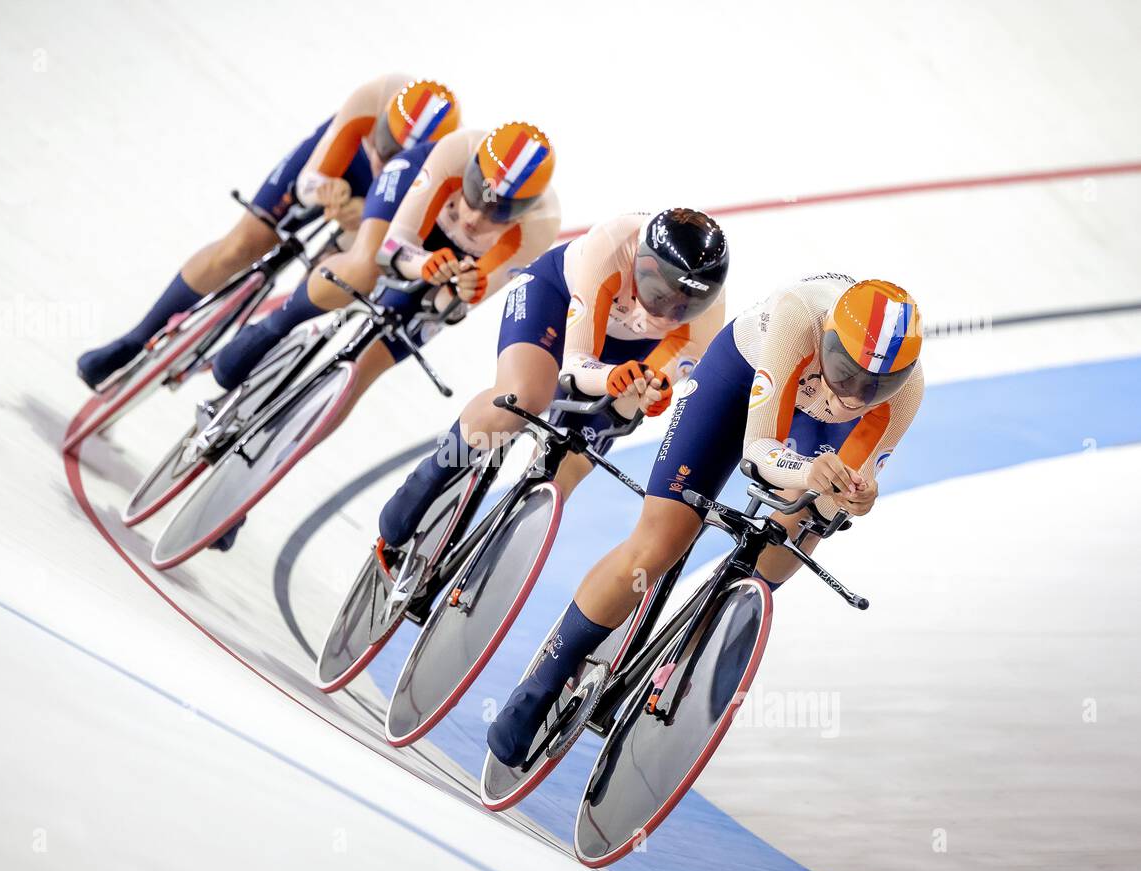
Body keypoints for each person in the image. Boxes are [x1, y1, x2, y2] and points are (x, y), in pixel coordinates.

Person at [487, 275, 926, 766]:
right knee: (659, 544)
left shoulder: (907, 393)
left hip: (816, 425)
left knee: (796, 539)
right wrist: (806, 471)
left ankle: (688, 653)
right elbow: (759, 452)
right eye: (846, 371)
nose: (857, 393)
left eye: (877, 386)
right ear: (827, 334)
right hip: (738, 377)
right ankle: (543, 683)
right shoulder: (797, 316)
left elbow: (839, 496)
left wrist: (852, 497)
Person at [204, 122, 562, 550]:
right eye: (473, 193)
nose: (473, 216)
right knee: (360, 268)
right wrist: (422, 264)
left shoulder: (539, 227)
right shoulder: (453, 151)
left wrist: (461, 287)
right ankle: (277, 325)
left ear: (523, 208)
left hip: (457, 260)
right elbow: (390, 249)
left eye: (497, 212)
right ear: (470, 169)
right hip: (412, 213)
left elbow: (454, 308)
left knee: (363, 370)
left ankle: (247, 494)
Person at [376, 209, 730, 570]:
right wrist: (612, 378)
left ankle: (491, 568)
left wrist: (649, 392)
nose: (667, 312)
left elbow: (641, 389)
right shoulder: (613, 244)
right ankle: (427, 481)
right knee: (521, 399)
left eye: (684, 307)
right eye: (658, 293)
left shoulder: (708, 319)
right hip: (557, 300)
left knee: (566, 468)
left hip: (627, 353)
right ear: (642, 263)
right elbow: (576, 366)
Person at [76, 75, 460, 388]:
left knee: (332, 279)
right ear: (381, 119)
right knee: (244, 243)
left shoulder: (438, 170)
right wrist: (324, 189)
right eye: (385, 144)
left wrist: (364, 217)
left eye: (401, 156)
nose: (385, 159)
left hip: (385, 203)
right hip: (343, 165)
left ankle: (267, 342)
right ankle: (135, 338)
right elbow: (310, 177)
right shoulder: (371, 99)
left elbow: (393, 238)